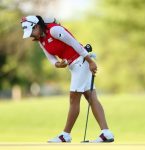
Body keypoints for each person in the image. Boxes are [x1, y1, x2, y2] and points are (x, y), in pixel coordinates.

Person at [21, 15, 114, 143]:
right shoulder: (40, 40)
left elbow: (75, 43)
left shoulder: (54, 30)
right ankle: (106, 133)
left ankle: (65, 135)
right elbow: (51, 58)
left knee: (73, 98)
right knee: (91, 97)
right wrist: (58, 64)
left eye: (31, 32)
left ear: (36, 26)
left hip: (81, 61)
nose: (30, 35)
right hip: (74, 65)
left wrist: (90, 61)